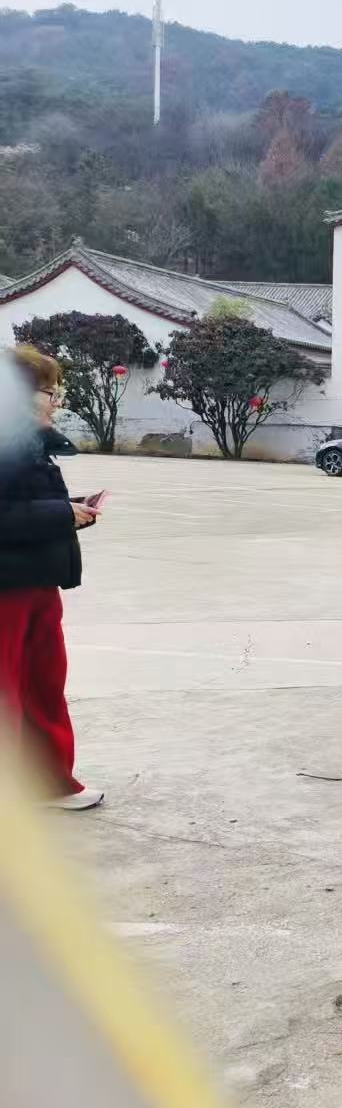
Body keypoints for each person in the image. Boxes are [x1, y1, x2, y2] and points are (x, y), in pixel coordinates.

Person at [0, 347, 104, 810]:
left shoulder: (31, 443)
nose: (57, 401)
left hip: (37, 582)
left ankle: (49, 782)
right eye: (50, 391)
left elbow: (24, 507)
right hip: (6, 590)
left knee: (43, 687)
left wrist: (69, 511)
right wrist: (61, 514)